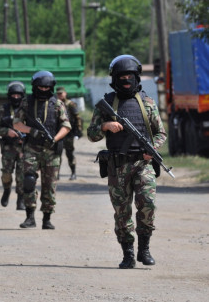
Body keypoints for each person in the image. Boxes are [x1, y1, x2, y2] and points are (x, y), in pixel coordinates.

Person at [87, 55, 166, 269]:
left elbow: (160, 133)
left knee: (147, 205)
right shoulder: (106, 105)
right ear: (114, 78)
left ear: (136, 77)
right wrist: (105, 126)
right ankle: (128, 253)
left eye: (129, 76)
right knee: (122, 212)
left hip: (143, 164)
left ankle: (144, 248)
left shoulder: (147, 103)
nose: (126, 80)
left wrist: (153, 149)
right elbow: (91, 134)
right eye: (121, 76)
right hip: (117, 166)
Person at [13, 71, 71, 229]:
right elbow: (16, 123)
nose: (44, 90)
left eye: (47, 87)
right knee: (29, 181)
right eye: (40, 87)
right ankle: (30, 217)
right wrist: (31, 131)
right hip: (32, 148)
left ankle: (47, 218)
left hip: (51, 151)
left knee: (49, 184)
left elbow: (66, 125)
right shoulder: (27, 102)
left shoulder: (57, 104)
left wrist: (56, 138)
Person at [0, 81, 26, 210]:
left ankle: (20, 199)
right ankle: (6, 190)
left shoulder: (27, 109)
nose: (16, 98)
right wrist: (7, 132)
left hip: (23, 147)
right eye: (14, 95)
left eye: (18, 95)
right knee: (6, 173)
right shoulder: (3, 109)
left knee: (22, 174)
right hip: (8, 147)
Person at [56, 86, 82, 180]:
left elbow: (77, 117)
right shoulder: (55, 104)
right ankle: (56, 174)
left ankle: (73, 173)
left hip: (68, 133)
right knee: (57, 154)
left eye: (61, 93)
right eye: (58, 93)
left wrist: (78, 130)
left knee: (69, 153)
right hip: (58, 133)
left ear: (65, 93)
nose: (60, 95)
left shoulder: (70, 104)